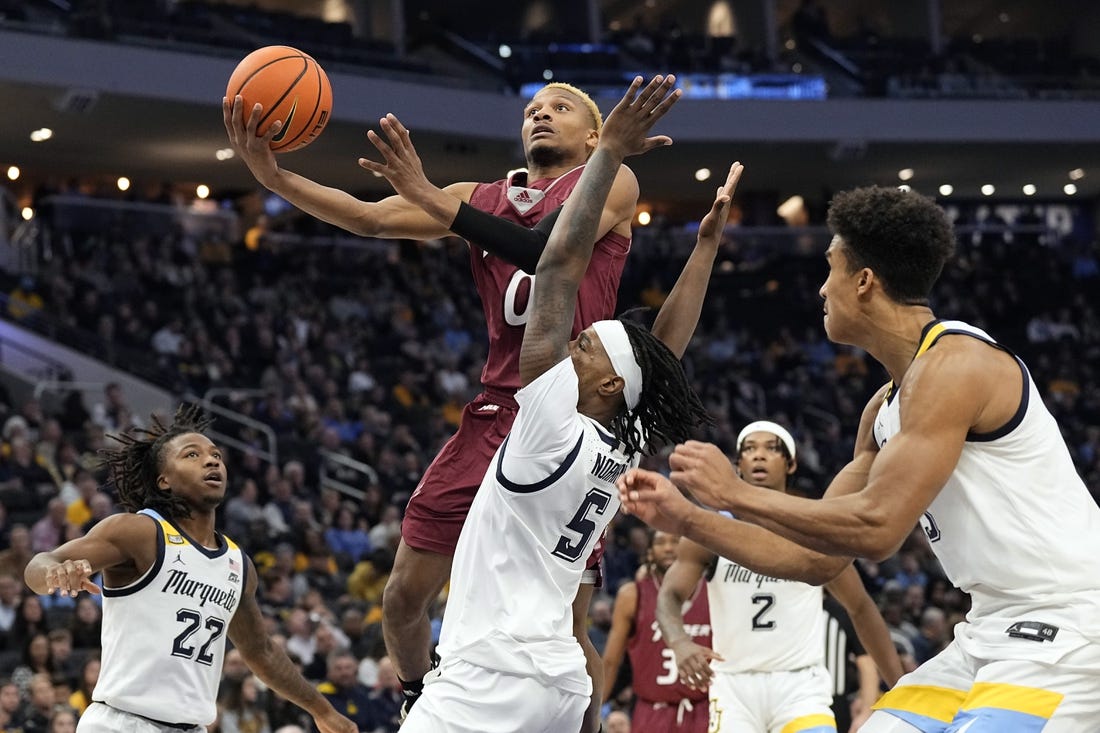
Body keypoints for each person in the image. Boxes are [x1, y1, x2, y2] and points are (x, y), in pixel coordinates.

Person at [225, 73, 642, 724]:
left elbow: (545, 250)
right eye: (532, 107)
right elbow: (367, 217)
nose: (539, 113)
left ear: (594, 134)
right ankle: (422, 700)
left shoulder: (612, 179)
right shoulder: (478, 196)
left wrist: (426, 194)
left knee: (563, 621)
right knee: (401, 597)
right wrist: (276, 178)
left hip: (566, 422)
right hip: (494, 413)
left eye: (559, 107)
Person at [619, 186, 1100, 731]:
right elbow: (818, 560)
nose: (822, 288)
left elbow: (876, 529)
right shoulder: (882, 409)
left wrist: (734, 494)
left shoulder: (957, 365)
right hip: (987, 628)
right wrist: (688, 519)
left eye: (831, 269)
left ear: (864, 281)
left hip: (1070, 622)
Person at [401, 74, 711, 733]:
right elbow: (667, 353)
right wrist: (706, 248)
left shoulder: (545, 421)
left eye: (589, 349)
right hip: (564, 682)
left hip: (489, 677)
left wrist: (611, 155)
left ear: (602, 386)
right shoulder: (621, 439)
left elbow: (560, 264)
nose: (575, 346)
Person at [23, 406, 357, 733]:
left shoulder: (238, 564)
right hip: (123, 722)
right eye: (192, 455)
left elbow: (262, 652)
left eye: (216, 455)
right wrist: (55, 572)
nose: (212, 460)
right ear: (163, 480)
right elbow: (39, 565)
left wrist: (322, 710)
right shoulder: (138, 532)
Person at [655, 421, 901, 732]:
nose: (759, 456)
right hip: (732, 685)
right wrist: (678, 641)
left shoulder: (813, 531)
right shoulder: (708, 530)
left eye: (771, 448)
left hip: (800, 684)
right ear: (738, 464)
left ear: (791, 463)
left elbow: (860, 607)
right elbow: (669, 594)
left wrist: (900, 686)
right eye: (749, 449)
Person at [601, 530, 710, 732]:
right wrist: (596, 708)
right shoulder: (633, 595)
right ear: (650, 552)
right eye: (661, 542)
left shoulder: (713, 592)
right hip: (652, 710)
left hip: (704, 708)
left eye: (676, 541)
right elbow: (610, 661)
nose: (668, 548)